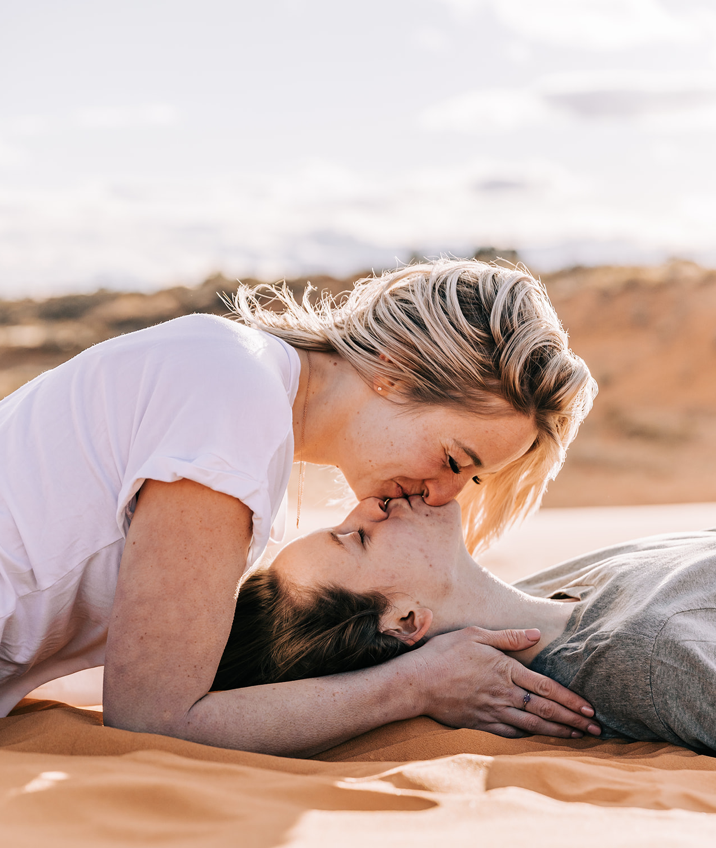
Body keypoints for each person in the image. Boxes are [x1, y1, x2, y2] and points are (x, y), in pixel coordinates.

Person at [0, 259, 598, 755]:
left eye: (470, 478)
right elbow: (152, 720)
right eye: (452, 458)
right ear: (396, 370)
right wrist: (416, 685)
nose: (442, 495)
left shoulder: (236, 376)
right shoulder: (235, 395)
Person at [217, 495, 716, 752]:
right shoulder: (651, 658)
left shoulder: (553, 590)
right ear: (405, 621)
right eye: (357, 538)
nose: (369, 506)